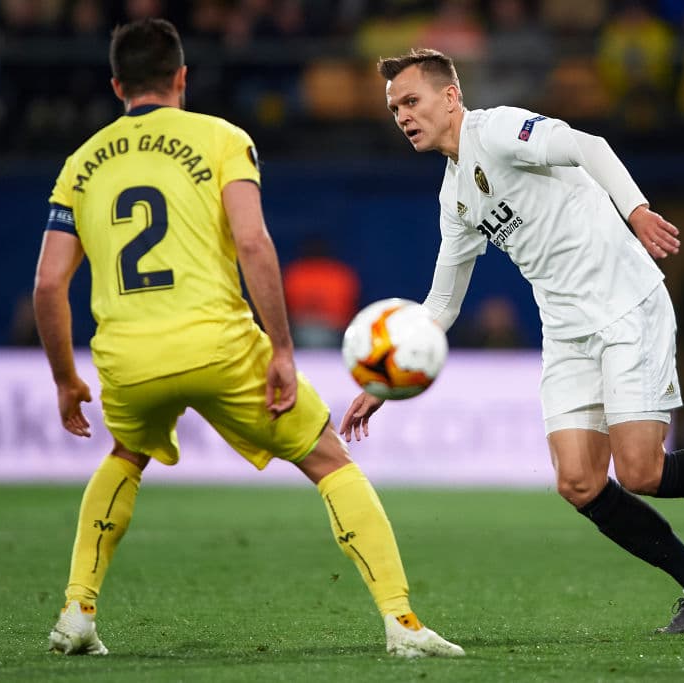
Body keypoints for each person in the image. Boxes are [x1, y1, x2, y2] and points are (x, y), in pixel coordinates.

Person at [340, 48, 684, 634]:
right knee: (579, 482)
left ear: (450, 96)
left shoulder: (496, 130)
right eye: (395, 107)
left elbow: (588, 146)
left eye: (412, 101)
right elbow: (442, 304)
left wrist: (637, 210)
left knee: (643, 471)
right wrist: (384, 381)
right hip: (567, 330)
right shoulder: (454, 198)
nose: (402, 115)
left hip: (627, 305)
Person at [34, 20, 462, 658]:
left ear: (118, 84)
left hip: (126, 356)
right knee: (328, 460)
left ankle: (76, 609)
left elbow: (47, 286)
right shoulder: (221, 139)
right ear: (182, 78)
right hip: (219, 345)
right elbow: (255, 243)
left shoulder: (81, 164)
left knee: (126, 453)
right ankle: (401, 623)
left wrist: (66, 380)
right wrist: (283, 351)